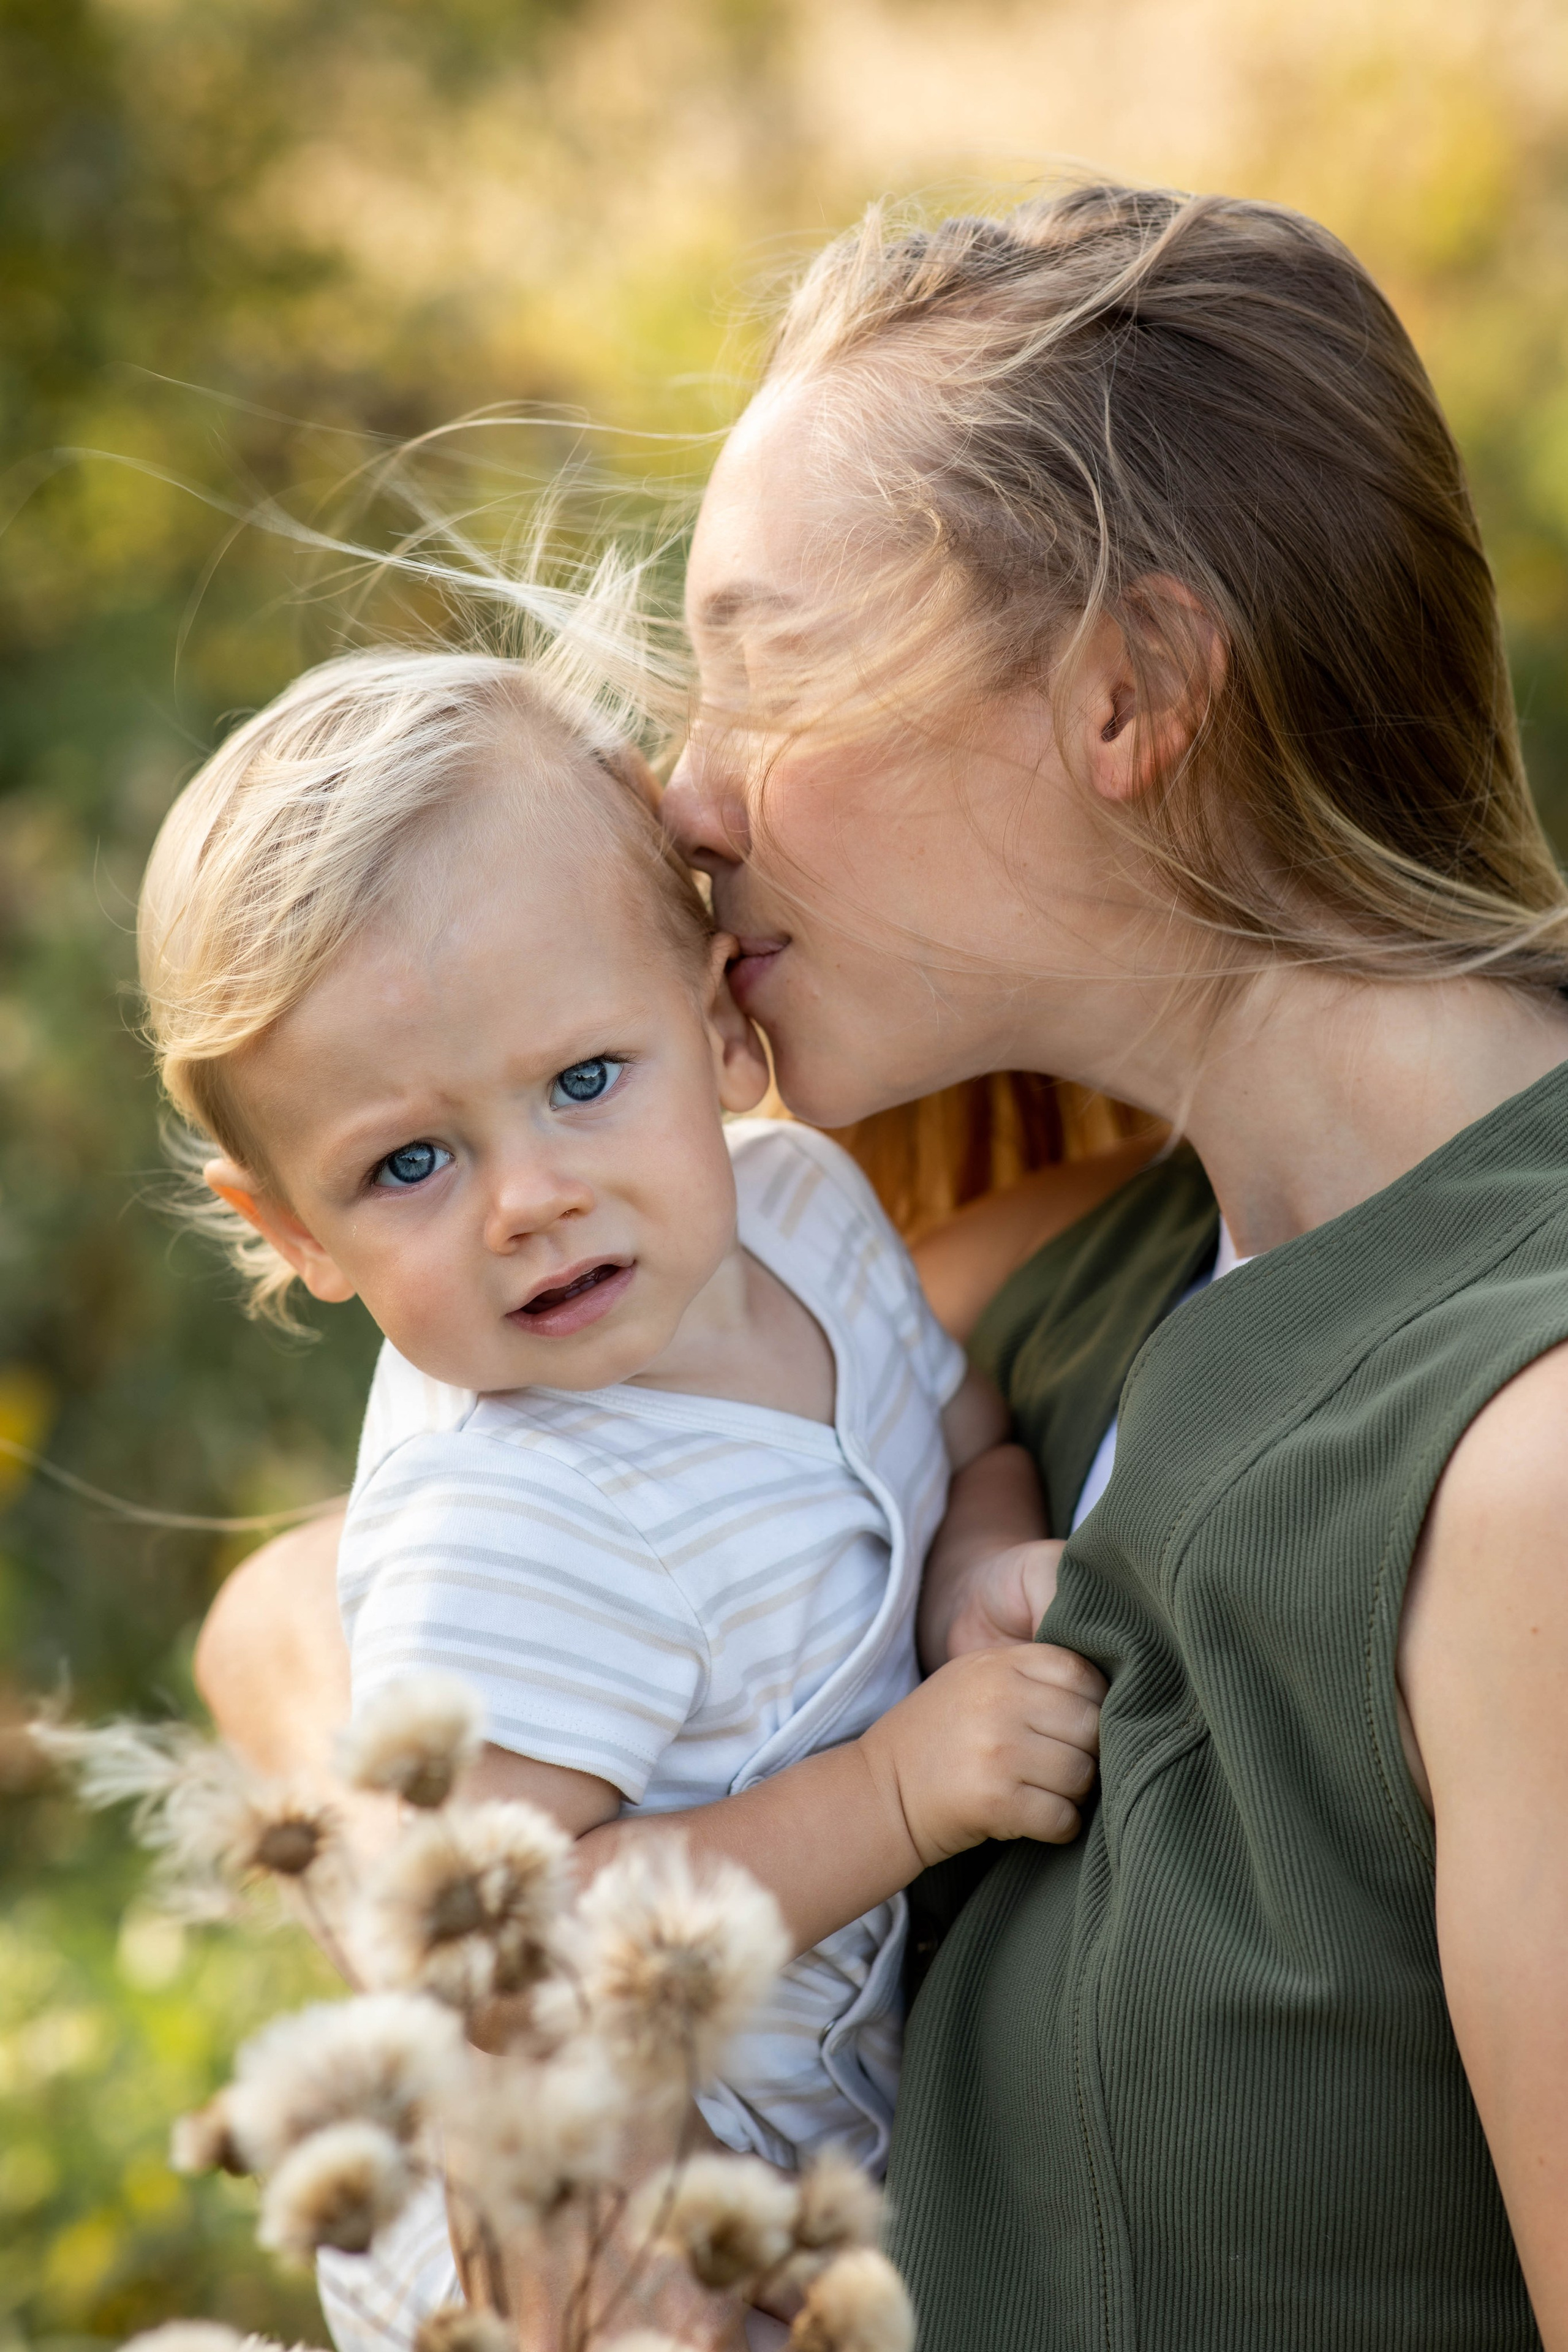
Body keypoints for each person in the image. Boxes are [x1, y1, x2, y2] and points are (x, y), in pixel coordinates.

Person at [198, 181, 1568, 2348]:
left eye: (767, 669)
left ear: (1129, 694)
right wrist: (501, 2016)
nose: (685, 794)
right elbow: (310, 1596)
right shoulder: (1067, 1273)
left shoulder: (1527, 1472)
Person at [137, 646, 1106, 2326]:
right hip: (610, 2253)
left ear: (728, 1026)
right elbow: (513, 1964)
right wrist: (889, 1797)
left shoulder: (805, 1210)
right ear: (294, 1230)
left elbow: (958, 1431)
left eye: (586, 1082)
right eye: (407, 1164)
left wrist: (980, 1557)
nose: (528, 1201)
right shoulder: (509, 1525)